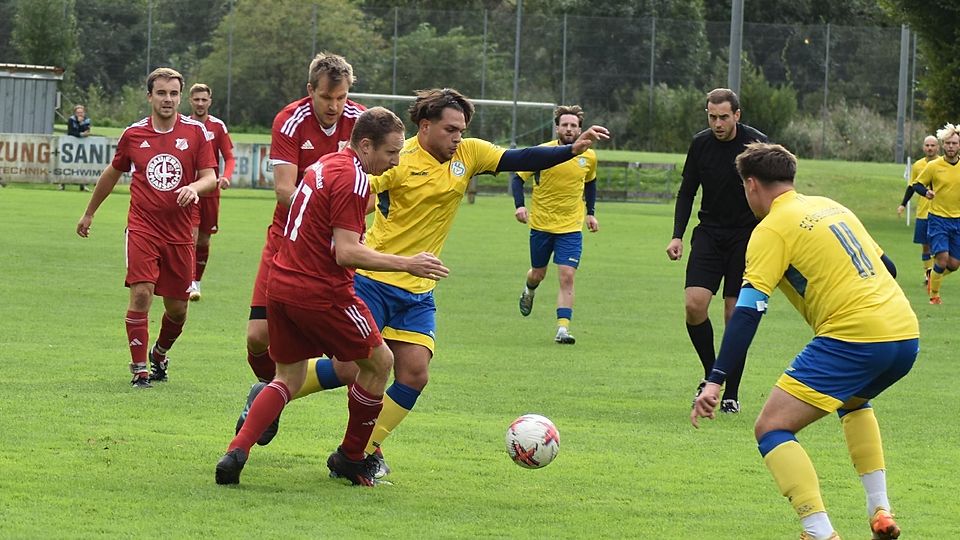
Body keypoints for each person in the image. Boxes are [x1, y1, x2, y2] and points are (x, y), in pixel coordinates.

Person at [234, 88, 609, 477]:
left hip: (418, 288)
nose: (458, 137)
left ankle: (361, 450)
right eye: (450, 129)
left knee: (414, 372)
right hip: (374, 279)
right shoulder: (397, 160)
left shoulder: (469, 154)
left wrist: (571, 149)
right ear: (425, 126)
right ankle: (272, 392)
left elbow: (520, 157)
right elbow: (353, 191)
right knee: (348, 369)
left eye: (462, 129)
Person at [691, 143, 918, 540]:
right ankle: (879, 509)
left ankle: (818, 531)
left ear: (752, 184)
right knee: (853, 400)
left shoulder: (771, 229)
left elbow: (747, 311)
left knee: (771, 428)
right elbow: (889, 267)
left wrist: (716, 378)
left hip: (854, 337)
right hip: (904, 333)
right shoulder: (832, 207)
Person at [215, 107, 448, 487]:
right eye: (391, 153)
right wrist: (408, 263)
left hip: (281, 284)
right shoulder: (355, 180)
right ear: (366, 145)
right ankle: (352, 458)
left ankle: (236, 451)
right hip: (323, 291)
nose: (395, 161)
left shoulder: (325, 163)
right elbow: (347, 252)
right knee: (379, 362)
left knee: (287, 377)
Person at [76, 67, 218, 388]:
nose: (168, 99)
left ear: (179, 97)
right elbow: (112, 173)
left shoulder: (196, 133)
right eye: (161, 93)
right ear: (150, 96)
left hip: (180, 234)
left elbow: (210, 175)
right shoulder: (134, 135)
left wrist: (195, 187)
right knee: (141, 294)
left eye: (173, 93)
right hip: (143, 228)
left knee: (178, 309)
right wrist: (89, 213)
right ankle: (139, 369)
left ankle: (159, 353)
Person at [244, 52, 365, 387]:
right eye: (326, 97)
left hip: (337, 243)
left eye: (341, 98)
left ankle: (277, 399)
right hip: (288, 237)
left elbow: (372, 189)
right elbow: (284, 190)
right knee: (257, 337)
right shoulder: (290, 120)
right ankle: (270, 393)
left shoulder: (361, 121)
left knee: (350, 357)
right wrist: (330, 212)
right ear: (310, 89)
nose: (334, 106)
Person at [666, 88, 767, 414]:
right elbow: (686, 192)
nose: (717, 123)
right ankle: (713, 375)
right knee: (694, 306)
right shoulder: (701, 144)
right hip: (709, 233)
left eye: (724, 117)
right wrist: (677, 235)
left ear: (737, 115)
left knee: (734, 314)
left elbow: (774, 191)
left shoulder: (756, 144)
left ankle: (731, 393)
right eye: (712, 117)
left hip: (747, 236)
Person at [513, 105, 599, 344]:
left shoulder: (589, 155)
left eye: (573, 125)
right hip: (541, 225)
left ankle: (563, 329)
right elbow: (517, 178)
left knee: (567, 275)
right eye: (565, 125)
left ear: (580, 129)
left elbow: (590, 184)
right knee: (538, 274)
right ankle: (529, 290)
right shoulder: (542, 153)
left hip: (571, 227)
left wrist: (591, 213)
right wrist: (519, 205)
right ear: (557, 128)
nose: (569, 129)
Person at [186, 83, 236, 302]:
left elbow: (229, 156)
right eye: (196, 99)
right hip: (189, 191)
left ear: (210, 101)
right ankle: (188, 282)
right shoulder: (184, 125)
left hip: (211, 191)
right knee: (191, 237)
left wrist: (226, 176)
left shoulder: (218, 126)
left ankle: (197, 281)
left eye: (203, 99)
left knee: (204, 241)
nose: (199, 103)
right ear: (190, 100)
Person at [911, 123, 960, 304]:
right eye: (948, 143)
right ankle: (934, 296)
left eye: (954, 143)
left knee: (954, 264)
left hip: (958, 220)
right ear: (943, 145)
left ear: (959, 145)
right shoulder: (934, 166)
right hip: (938, 219)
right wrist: (926, 193)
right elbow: (916, 184)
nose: (951, 146)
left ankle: (932, 275)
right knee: (942, 259)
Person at [897, 135, 940, 286]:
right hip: (923, 212)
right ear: (923, 147)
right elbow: (912, 186)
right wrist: (903, 204)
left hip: (940, 212)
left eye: (932, 145)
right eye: (927, 145)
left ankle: (935, 276)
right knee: (925, 246)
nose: (930, 148)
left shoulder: (943, 164)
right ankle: (928, 276)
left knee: (937, 246)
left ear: (938, 147)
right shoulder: (918, 165)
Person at [64, 104, 92, 191]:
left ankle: (83, 185)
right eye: (78, 112)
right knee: (67, 165)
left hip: (83, 146)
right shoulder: (71, 120)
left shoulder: (87, 120)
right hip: (71, 146)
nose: (80, 114)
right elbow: (71, 132)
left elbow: (87, 130)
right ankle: (62, 184)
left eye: (81, 112)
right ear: (75, 113)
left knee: (83, 165)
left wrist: (82, 126)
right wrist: (80, 133)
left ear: (84, 112)